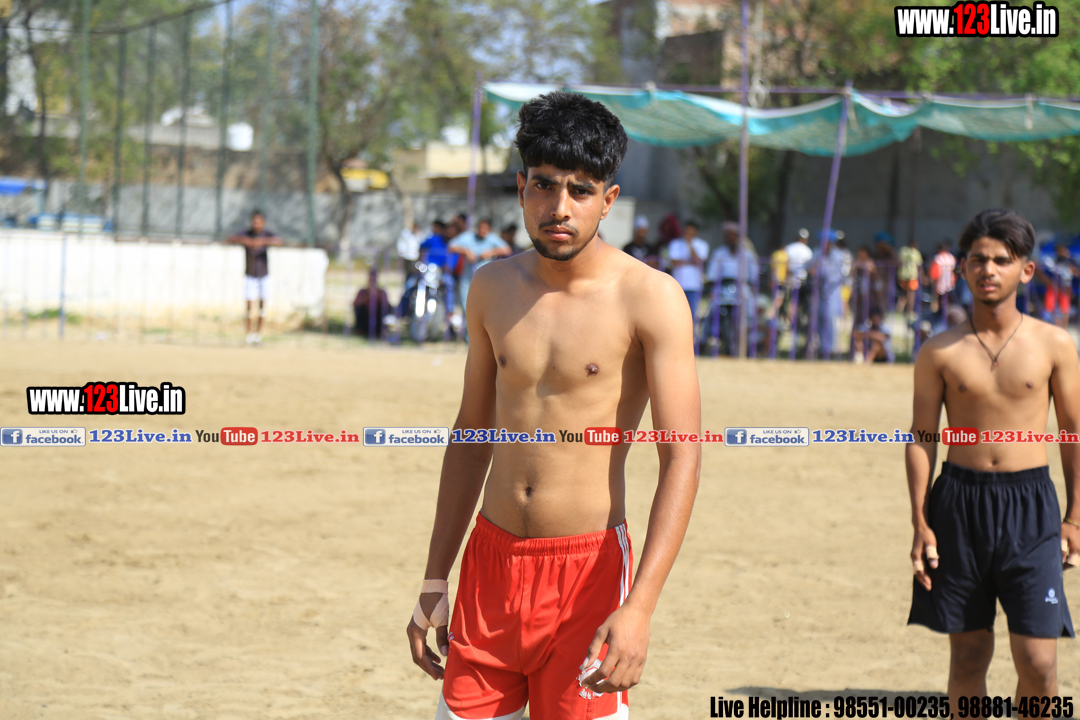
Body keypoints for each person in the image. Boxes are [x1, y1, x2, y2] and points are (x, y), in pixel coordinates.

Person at [406, 91, 701, 720]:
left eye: (580, 190)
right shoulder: (490, 287)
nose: (559, 208)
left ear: (608, 200)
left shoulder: (650, 297)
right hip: (489, 566)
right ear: (521, 188)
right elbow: (471, 436)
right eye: (543, 185)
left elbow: (682, 459)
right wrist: (435, 576)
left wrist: (640, 607)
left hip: (587, 573)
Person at [906, 209, 1079, 714]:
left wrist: (1074, 517)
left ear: (1026, 270)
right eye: (978, 259)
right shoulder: (939, 351)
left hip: (1032, 507)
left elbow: (1072, 434)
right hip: (959, 505)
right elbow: (922, 438)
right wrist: (920, 520)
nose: (989, 269)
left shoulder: (1054, 344)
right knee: (968, 658)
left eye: (1002, 260)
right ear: (962, 268)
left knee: (1039, 664)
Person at [225, 209, 282, 345]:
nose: (257, 225)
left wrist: (262, 242)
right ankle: (249, 335)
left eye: (259, 222)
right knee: (249, 306)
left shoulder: (266, 234)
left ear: (263, 223)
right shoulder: (246, 234)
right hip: (250, 275)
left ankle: (258, 335)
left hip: (264, 275)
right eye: (254, 222)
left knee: (262, 307)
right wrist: (247, 241)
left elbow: (279, 241)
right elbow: (229, 239)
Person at [706, 221, 755, 354]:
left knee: (749, 312)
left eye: (734, 235)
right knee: (710, 312)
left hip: (741, 288)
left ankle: (747, 343)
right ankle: (705, 339)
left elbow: (753, 276)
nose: (731, 238)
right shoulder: (719, 254)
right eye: (728, 236)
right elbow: (711, 275)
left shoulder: (747, 255)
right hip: (723, 288)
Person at [449, 218, 511, 314]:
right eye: (481, 228)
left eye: (485, 228)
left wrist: (491, 252)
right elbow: (451, 246)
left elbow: (507, 250)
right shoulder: (468, 237)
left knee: (483, 306)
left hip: (485, 279)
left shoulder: (492, 239)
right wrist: (466, 251)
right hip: (468, 278)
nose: (482, 230)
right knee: (466, 306)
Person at [667, 220, 710, 349]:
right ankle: (675, 344)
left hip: (694, 286)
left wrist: (690, 246)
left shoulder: (702, 245)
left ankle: (689, 344)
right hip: (678, 285)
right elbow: (674, 262)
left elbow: (699, 261)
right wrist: (690, 262)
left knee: (692, 316)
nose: (688, 234)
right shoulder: (675, 244)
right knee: (675, 315)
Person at [812, 231, 846, 360]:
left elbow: (829, 274)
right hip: (819, 291)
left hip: (831, 291)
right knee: (819, 318)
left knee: (829, 319)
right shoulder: (818, 253)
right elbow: (809, 264)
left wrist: (818, 269)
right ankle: (821, 347)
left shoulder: (837, 256)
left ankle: (829, 349)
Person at [1036, 242, 1078, 328]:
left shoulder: (1070, 261)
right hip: (1053, 286)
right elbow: (1045, 266)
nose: (1061, 252)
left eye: (1062, 250)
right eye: (1059, 250)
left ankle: (1064, 327)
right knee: (1050, 306)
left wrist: (1072, 269)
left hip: (1065, 287)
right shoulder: (1053, 260)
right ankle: (1058, 324)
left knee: (1065, 308)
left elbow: (1076, 273)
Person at [353, 268, 391, 339]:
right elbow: (355, 304)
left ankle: (381, 330)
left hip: (378, 320)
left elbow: (387, 306)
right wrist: (367, 297)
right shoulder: (362, 291)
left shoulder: (381, 292)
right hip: (364, 320)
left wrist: (378, 296)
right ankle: (360, 329)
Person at [896, 237, 924, 316]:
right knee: (911, 295)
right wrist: (922, 276)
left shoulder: (902, 250)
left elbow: (898, 262)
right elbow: (919, 266)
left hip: (902, 275)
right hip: (912, 276)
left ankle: (899, 310)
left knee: (904, 294)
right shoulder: (916, 253)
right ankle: (909, 311)